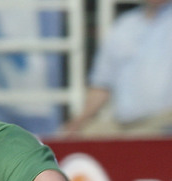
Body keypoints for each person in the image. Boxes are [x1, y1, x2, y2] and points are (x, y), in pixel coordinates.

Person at [62, 0, 172, 137]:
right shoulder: (124, 24)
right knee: (83, 136)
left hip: (163, 122)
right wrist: (77, 123)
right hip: (123, 124)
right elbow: (102, 84)